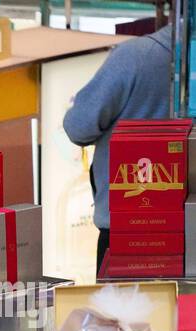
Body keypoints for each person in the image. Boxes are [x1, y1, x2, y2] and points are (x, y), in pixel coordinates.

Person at [62, 26, 173, 276]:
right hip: (184, 227)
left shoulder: (136, 57)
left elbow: (78, 126)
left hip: (126, 231)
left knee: (119, 313)